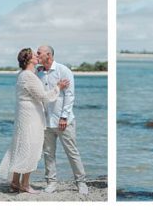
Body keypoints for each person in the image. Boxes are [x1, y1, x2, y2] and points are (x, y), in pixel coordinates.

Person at [0, 48, 69, 194]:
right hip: (31, 117)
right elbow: (44, 97)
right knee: (31, 148)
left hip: (24, 116)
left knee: (20, 147)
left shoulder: (24, 74)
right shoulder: (28, 76)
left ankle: (15, 182)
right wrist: (58, 87)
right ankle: (24, 184)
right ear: (29, 59)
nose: (37, 56)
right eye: (34, 55)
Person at [36, 45, 89, 194]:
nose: (37, 55)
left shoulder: (63, 70)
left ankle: (81, 182)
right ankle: (51, 182)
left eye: (39, 53)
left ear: (49, 55)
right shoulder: (38, 73)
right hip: (46, 121)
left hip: (63, 121)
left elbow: (69, 95)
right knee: (48, 153)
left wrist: (64, 116)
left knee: (72, 152)